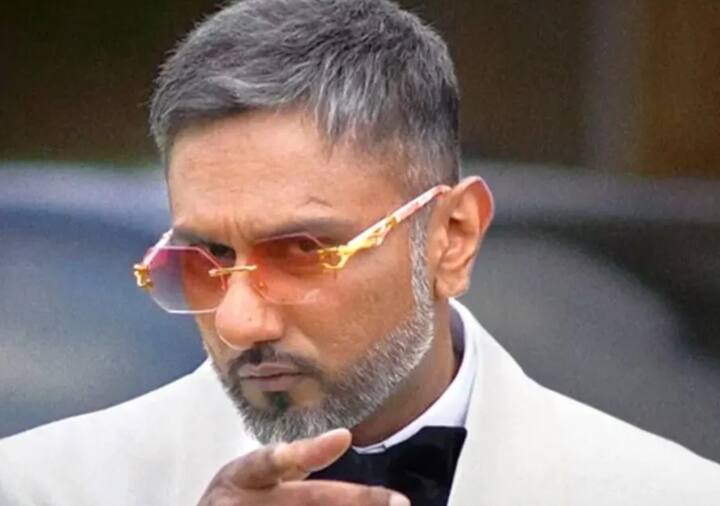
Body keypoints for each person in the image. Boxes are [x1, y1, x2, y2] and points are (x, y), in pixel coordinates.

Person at [1, 0, 719, 504]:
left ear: (452, 238)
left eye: (303, 250)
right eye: (206, 260)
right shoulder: (40, 488)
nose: (240, 322)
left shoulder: (668, 495)